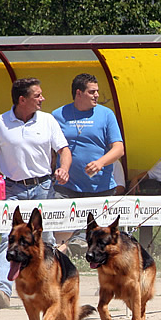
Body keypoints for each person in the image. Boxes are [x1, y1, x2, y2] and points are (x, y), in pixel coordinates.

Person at [0, 77, 71, 308]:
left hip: (43, 187)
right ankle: (4, 290)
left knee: (46, 238)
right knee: (6, 239)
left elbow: (64, 150)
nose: (43, 99)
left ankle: (49, 284)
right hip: (11, 189)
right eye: (37, 95)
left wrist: (64, 168)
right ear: (23, 99)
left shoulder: (48, 121)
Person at [52, 73, 125, 253]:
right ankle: (61, 266)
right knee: (60, 235)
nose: (97, 95)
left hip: (100, 186)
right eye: (92, 92)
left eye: (97, 91)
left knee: (103, 238)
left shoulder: (106, 114)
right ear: (79, 93)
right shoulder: (57, 115)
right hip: (67, 186)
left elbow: (118, 149)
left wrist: (100, 162)